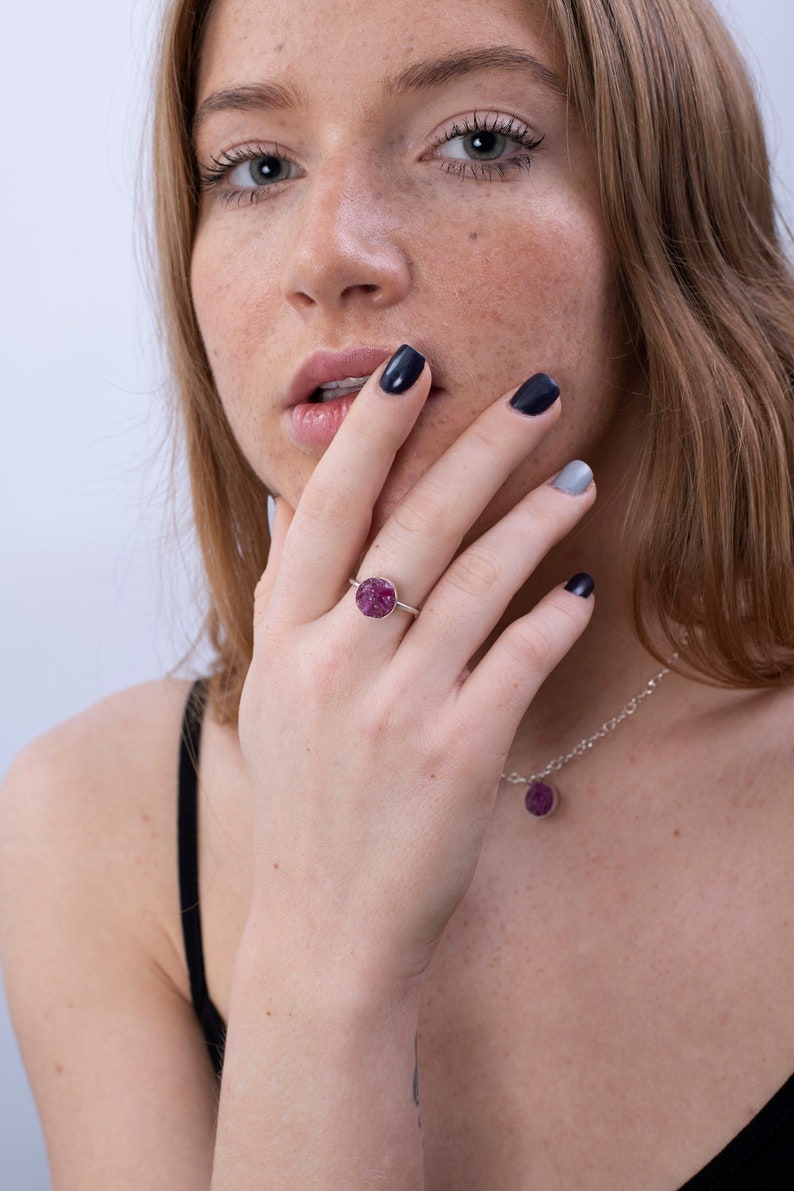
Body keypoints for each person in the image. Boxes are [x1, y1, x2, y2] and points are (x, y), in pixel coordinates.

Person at [2, 0, 794, 1185]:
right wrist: (321, 955)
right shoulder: (94, 823)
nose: (327, 254)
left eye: (476, 142)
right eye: (256, 167)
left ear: (662, 220)